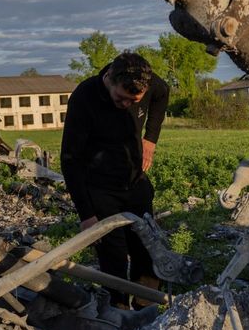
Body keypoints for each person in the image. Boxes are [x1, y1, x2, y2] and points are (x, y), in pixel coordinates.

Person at [60, 52, 169, 307]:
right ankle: (118, 311)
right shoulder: (85, 97)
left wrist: (150, 138)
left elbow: (162, 94)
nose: (127, 105)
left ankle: (146, 309)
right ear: (109, 78)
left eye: (134, 101)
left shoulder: (150, 84)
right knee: (113, 257)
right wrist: (86, 215)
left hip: (135, 183)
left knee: (147, 250)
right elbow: (70, 159)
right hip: (100, 188)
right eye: (121, 98)